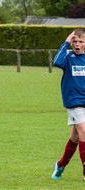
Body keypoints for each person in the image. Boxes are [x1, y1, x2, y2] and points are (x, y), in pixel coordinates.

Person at [52, 28, 85, 181]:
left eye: (81, 41)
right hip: (74, 102)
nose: (77, 44)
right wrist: (65, 43)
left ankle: (60, 164)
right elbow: (56, 62)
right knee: (84, 133)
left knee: (76, 137)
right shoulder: (67, 56)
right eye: (74, 41)